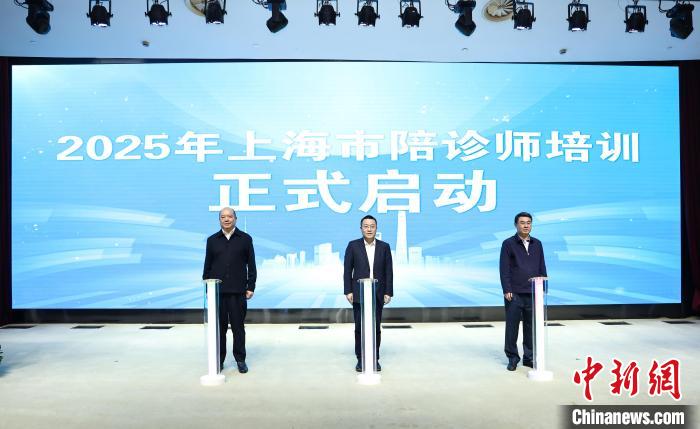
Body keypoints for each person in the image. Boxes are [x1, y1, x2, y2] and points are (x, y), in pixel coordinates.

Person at [203, 207, 257, 373]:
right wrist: (207, 288)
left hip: (238, 291)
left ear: (235, 219)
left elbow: (251, 265)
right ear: (219, 220)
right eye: (223, 217)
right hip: (217, 292)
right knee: (219, 329)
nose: (226, 219)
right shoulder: (212, 240)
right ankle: (218, 360)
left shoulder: (245, 239)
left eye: (229, 216)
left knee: (238, 328)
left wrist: (250, 286)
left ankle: (240, 359)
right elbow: (207, 266)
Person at [343, 215, 393, 372]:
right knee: (359, 327)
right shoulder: (353, 246)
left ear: (376, 228)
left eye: (372, 226)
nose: (369, 229)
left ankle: (374, 358)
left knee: (376, 327)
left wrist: (388, 292)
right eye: (366, 226)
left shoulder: (384, 247)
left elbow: (389, 271)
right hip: (359, 293)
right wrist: (348, 291)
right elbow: (347, 270)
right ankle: (360, 358)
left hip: (378, 293)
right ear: (361, 229)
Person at [499, 211, 547, 371]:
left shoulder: (537, 244)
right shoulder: (508, 244)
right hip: (514, 293)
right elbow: (504, 268)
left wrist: (543, 287)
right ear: (516, 225)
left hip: (533, 292)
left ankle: (529, 357)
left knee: (531, 328)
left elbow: (542, 266)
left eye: (528, 222)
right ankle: (512, 358)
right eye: (522, 222)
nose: (526, 225)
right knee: (512, 328)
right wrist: (507, 289)